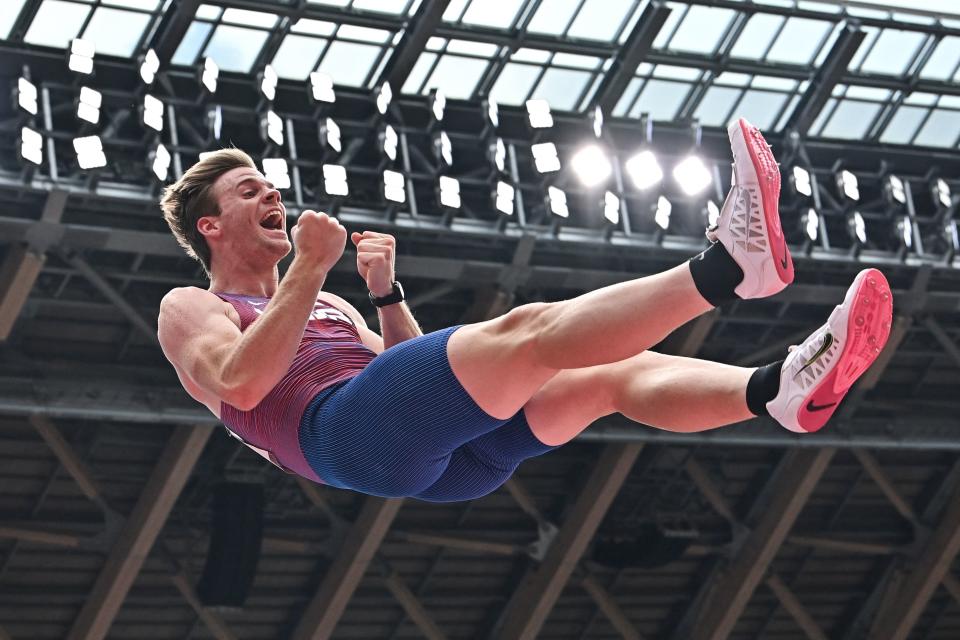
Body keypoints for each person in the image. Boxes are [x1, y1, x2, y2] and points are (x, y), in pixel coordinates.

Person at [157, 118, 893, 503]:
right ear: (209, 228)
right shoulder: (191, 304)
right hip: (339, 439)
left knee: (609, 377)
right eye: (248, 191)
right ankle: (730, 266)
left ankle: (777, 391)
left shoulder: (329, 302)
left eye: (268, 184)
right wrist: (311, 266)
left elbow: (422, 377)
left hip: (434, 457)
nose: (272, 195)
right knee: (530, 331)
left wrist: (383, 295)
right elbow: (244, 386)